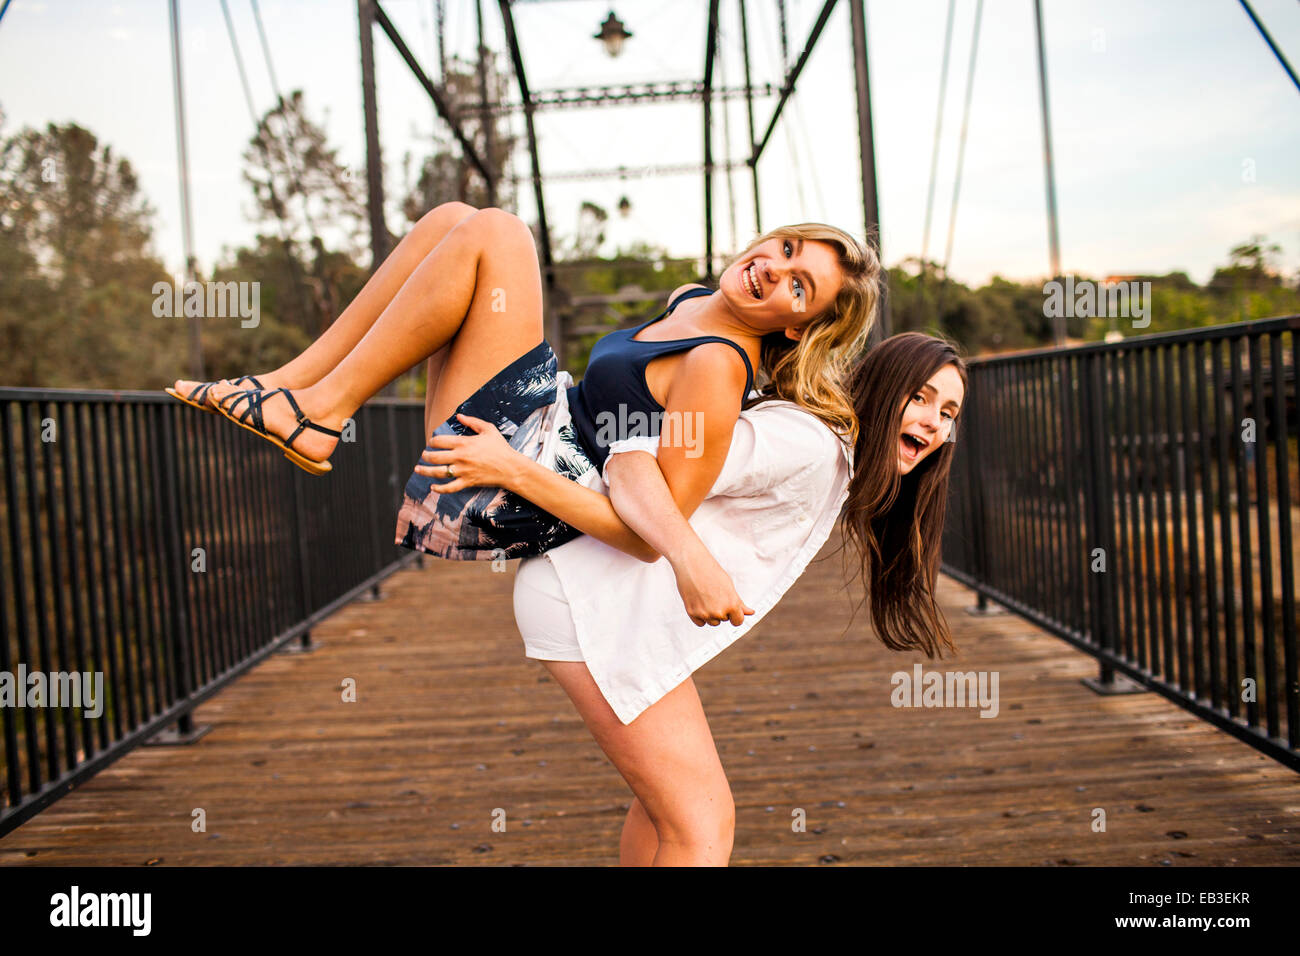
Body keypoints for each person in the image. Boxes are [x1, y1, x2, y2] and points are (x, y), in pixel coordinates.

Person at [416, 330, 967, 865]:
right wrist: (515, 469)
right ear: (879, 385)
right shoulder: (810, 444)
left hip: (601, 601)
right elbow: (638, 459)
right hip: (589, 601)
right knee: (703, 825)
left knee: (666, 811)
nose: (931, 421)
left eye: (947, 413)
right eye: (917, 397)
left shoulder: (830, 455)